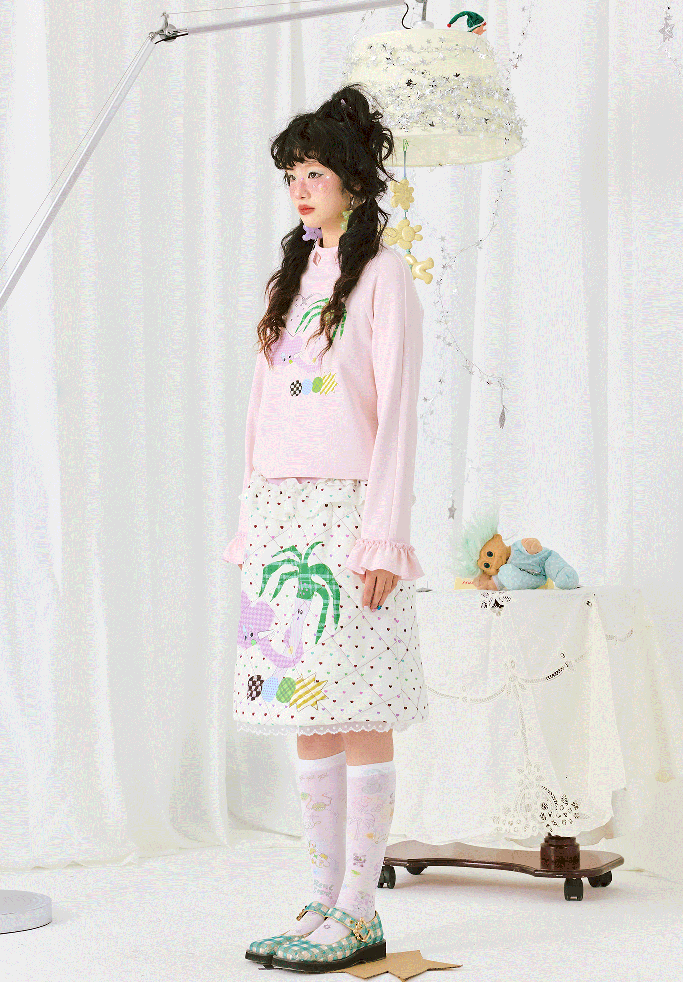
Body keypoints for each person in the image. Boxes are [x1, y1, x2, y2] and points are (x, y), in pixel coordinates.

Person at [222, 83, 429, 973]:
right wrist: (249, 524)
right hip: (280, 515)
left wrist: (383, 537)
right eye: (291, 176)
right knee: (303, 704)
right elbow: (261, 413)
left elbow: (399, 413)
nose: (301, 190)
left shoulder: (385, 277)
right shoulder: (287, 282)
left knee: (360, 704)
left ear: (351, 179)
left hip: (350, 513)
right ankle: (319, 899)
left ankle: (360, 909)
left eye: (314, 173)